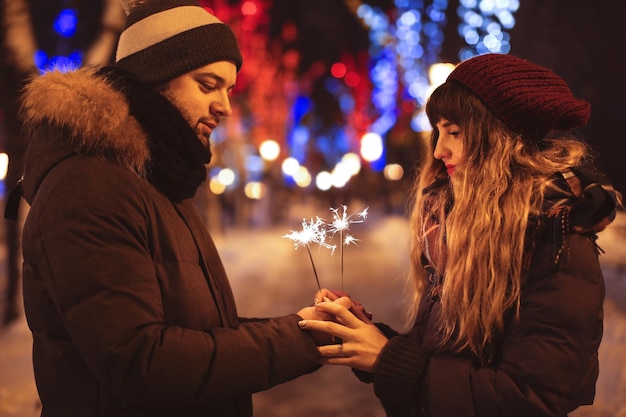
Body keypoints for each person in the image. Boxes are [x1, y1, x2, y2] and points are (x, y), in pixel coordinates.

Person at [6, 1, 348, 416]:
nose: (225, 105)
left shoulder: (157, 181)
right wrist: (300, 341)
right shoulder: (91, 185)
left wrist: (308, 326)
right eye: (208, 85)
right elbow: (143, 362)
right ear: (155, 80)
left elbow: (197, 332)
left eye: (229, 89)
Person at [299, 53, 623, 417]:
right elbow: (449, 357)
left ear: (501, 139)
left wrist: (389, 359)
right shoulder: (460, 229)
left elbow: (534, 397)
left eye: (454, 131)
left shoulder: (554, 237)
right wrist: (373, 338)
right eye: (438, 131)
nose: (438, 150)